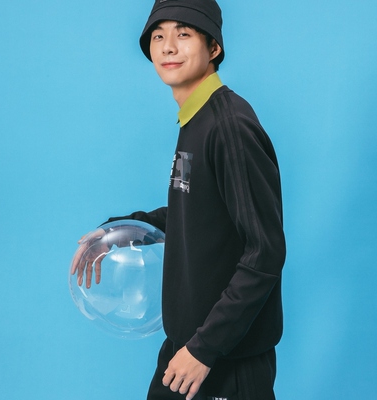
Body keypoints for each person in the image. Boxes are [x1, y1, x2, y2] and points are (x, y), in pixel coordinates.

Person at [71, 1, 286, 399]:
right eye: (158, 36)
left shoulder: (230, 127)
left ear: (214, 47)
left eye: (183, 34)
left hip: (224, 359)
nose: (168, 46)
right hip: (186, 347)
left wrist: (205, 348)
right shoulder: (196, 118)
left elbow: (265, 251)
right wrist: (121, 232)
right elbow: (201, 212)